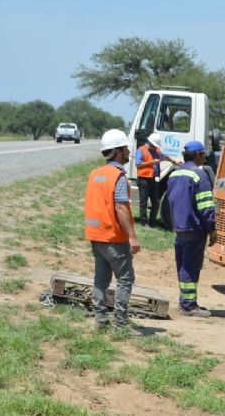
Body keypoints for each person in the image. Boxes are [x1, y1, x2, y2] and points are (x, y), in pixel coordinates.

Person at [84, 129, 140, 329]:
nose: (128, 152)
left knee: (100, 280)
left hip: (96, 237)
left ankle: (100, 320)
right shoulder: (118, 176)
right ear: (117, 151)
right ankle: (120, 322)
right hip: (114, 238)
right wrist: (132, 237)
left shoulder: (95, 174)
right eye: (125, 148)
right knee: (125, 279)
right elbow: (121, 207)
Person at [167, 141, 217, 317]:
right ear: (197, 155)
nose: (205, 157)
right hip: (194, 228)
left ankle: (185, 301)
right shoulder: (199, 175)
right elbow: (206, 206)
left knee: (182, 264)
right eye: (203, 154)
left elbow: (171, 201)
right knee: (190, 266)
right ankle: (188, 306)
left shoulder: (175, 173)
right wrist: (212, 229)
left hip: (179, 227)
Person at [135, 132, 179, 227]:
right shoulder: (141, 150)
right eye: (154, 145)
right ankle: (144, 223)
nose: (155, 147)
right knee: (144, 202)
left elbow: (165, 157)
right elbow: (138, 164)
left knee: (156, 202)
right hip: (143, 179)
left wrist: (175, 161)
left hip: (154, 179)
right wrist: (151, 162)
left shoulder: (157, 150)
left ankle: (152, 222)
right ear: (149, 142)